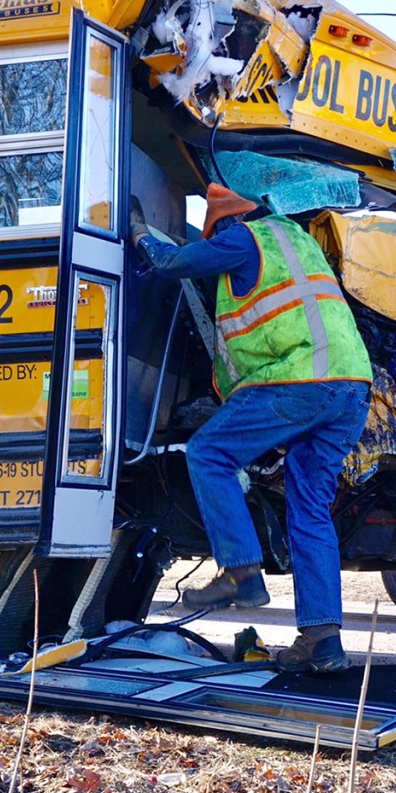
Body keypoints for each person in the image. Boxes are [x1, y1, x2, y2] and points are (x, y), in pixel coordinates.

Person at [130, 183, 372, 673]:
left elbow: (170, 261)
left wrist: (137, 230)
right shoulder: (299, 242)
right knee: (310, 511)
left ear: (230, 221)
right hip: (351, 389)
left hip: (303, 381)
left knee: (208, 454)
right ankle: (323, 643)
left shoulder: (245, 238)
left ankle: (241, 572)